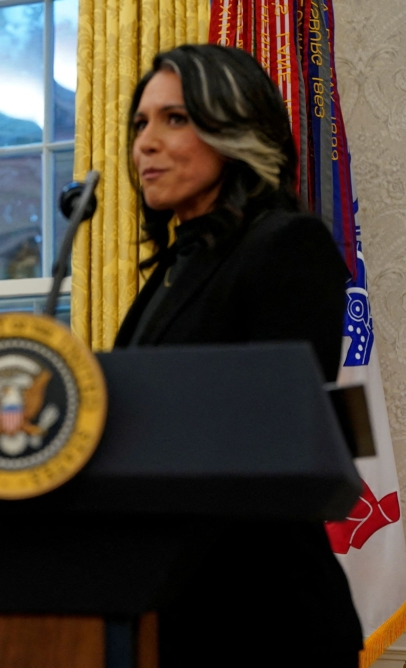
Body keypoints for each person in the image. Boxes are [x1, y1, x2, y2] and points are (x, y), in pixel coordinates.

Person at [117, 45, 363, 666]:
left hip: (264, 617)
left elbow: (280, 434)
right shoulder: (172, 270)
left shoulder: (286, 245)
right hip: (170, 611)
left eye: (175, 119)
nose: (146, 142)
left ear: (235, 127)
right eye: (140, 123)